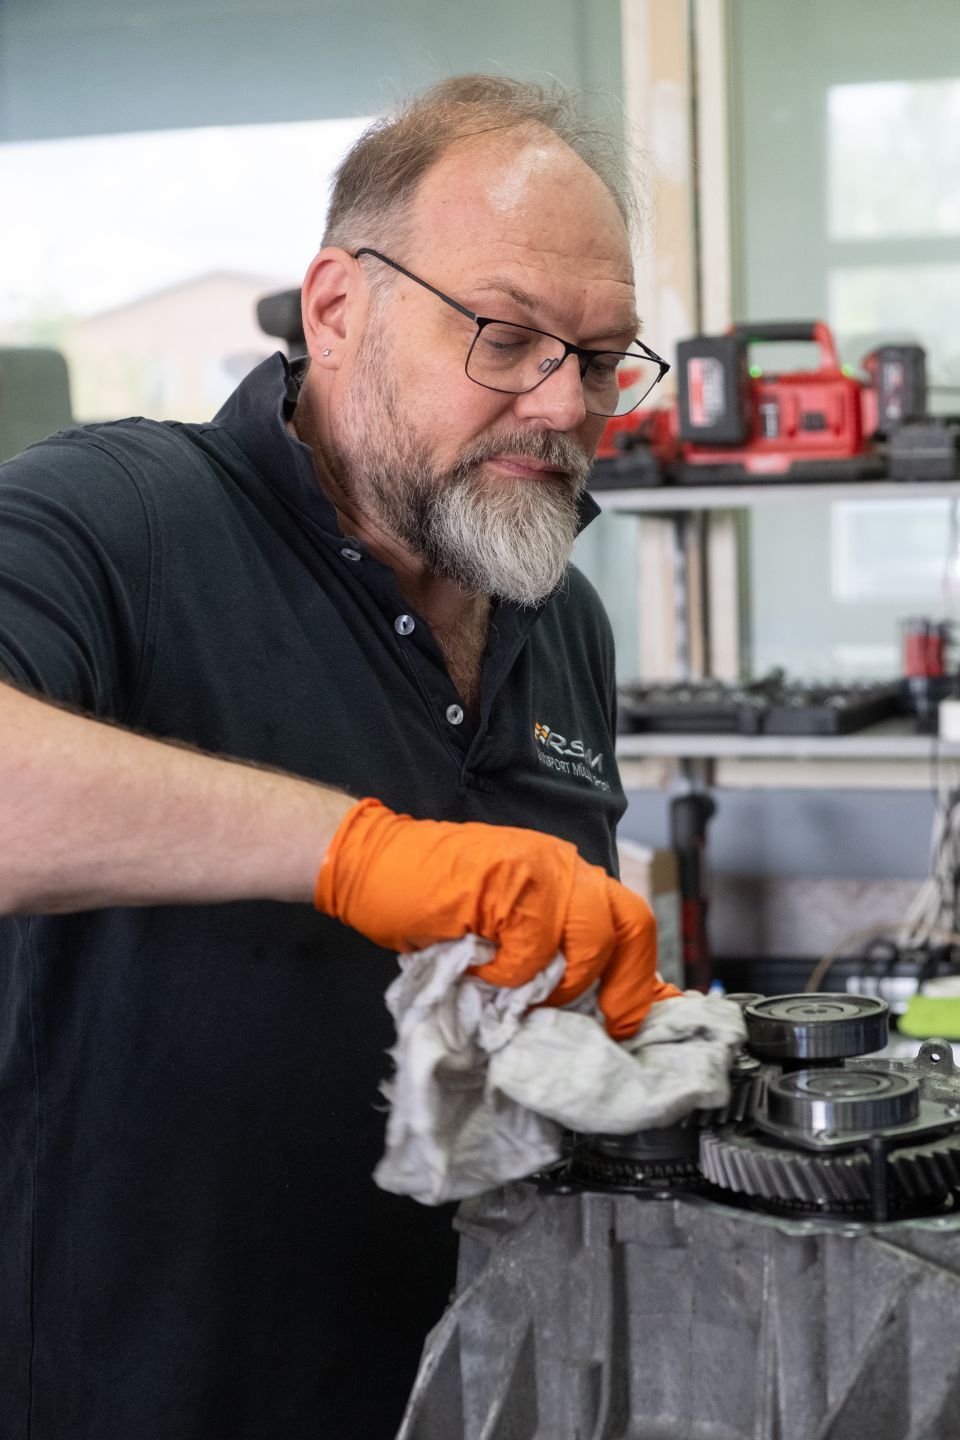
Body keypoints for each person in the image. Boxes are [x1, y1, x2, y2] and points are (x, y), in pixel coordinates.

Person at [0, 75, 676, 1439]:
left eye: (602, 359)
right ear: (336, 308)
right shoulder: (123, 521)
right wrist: (362, 856)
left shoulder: (559, 616)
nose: (563, 403)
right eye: (505, 337)